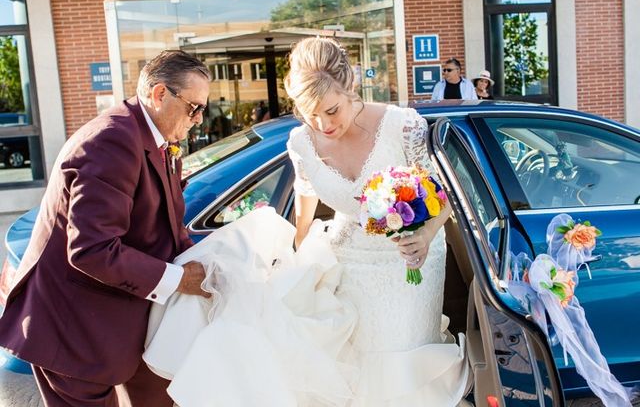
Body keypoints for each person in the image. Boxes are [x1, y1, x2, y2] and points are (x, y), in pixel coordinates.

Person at [143, 38, 469, 406]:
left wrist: (426, 233)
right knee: (348, 369)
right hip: (346, 264)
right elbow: (306, 201)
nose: (323, 124)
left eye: (332, 110)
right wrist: (294, 254)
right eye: (309, 113)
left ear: (350, 87)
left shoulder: (401, 126)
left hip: (411, 263)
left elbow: (448, 194)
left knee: (398, 367)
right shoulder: (301, 142)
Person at [0, 50, 213, 407]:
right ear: (160, 95)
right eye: (194, 108)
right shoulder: (111, 141)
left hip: (120, 325)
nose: (199, 120)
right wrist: (179, 280)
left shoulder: (154, 139)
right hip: (73, 333)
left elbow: (164, 228)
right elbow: (92, 250)